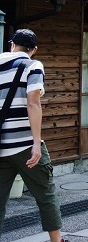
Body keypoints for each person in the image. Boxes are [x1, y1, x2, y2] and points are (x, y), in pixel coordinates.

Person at [0, 29, 64, 242]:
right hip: (25, 145)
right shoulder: (32, 65)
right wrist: (36, 143)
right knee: (46, 194)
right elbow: (33, 102)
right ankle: (57, 241)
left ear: (12, 44)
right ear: (34, 49)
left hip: (1, 145)